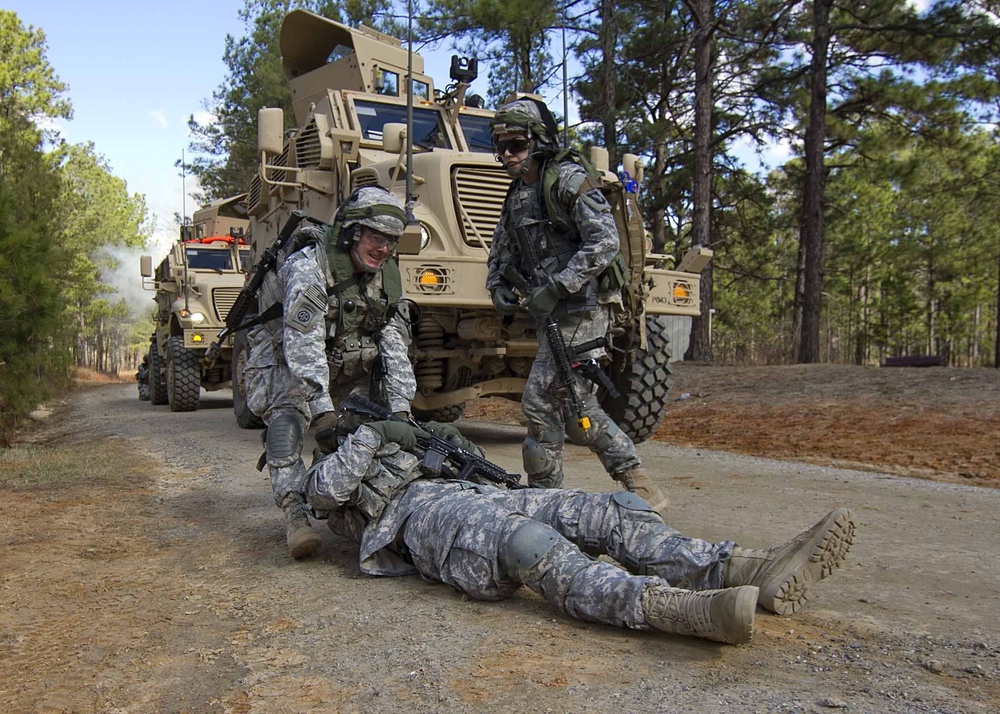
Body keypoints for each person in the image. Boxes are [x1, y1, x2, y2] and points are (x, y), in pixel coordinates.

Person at [304, 415, 857, 646]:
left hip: (482, 493)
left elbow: (470, 465)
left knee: (609, 510)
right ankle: (675, 610)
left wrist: (442, 441)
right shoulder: (332, 469)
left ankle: (744, 568)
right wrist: (372, 434)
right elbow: (325, 494)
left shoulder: (404, 439)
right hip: (415, 516)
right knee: (527, 545)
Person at [485, 97, 669, 512]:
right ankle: (638, 484)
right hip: (553, 311)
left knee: (539, 400)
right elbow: (502, 247)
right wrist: (496, 283)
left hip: (584, 306)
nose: (506, 156)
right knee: (575, 404)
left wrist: (559, 285)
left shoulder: (567, 180)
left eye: (515, 145)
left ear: (537, 141)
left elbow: (605, 242)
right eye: (500, 148)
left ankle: (546, 502)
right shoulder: (518, 192)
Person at [243, 186, 417, 559]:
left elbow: (393, 344)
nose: (383, 248)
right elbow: (301, 345)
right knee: (288, 421)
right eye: (375, 237)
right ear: (353, 232)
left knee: (372, 422)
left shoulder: (386, 276)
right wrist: (322, 411)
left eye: (390, 241)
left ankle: (343, 496)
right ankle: (294, 512)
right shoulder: (310, 265)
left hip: (340, 355)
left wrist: (402, 411)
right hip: (281, 356)